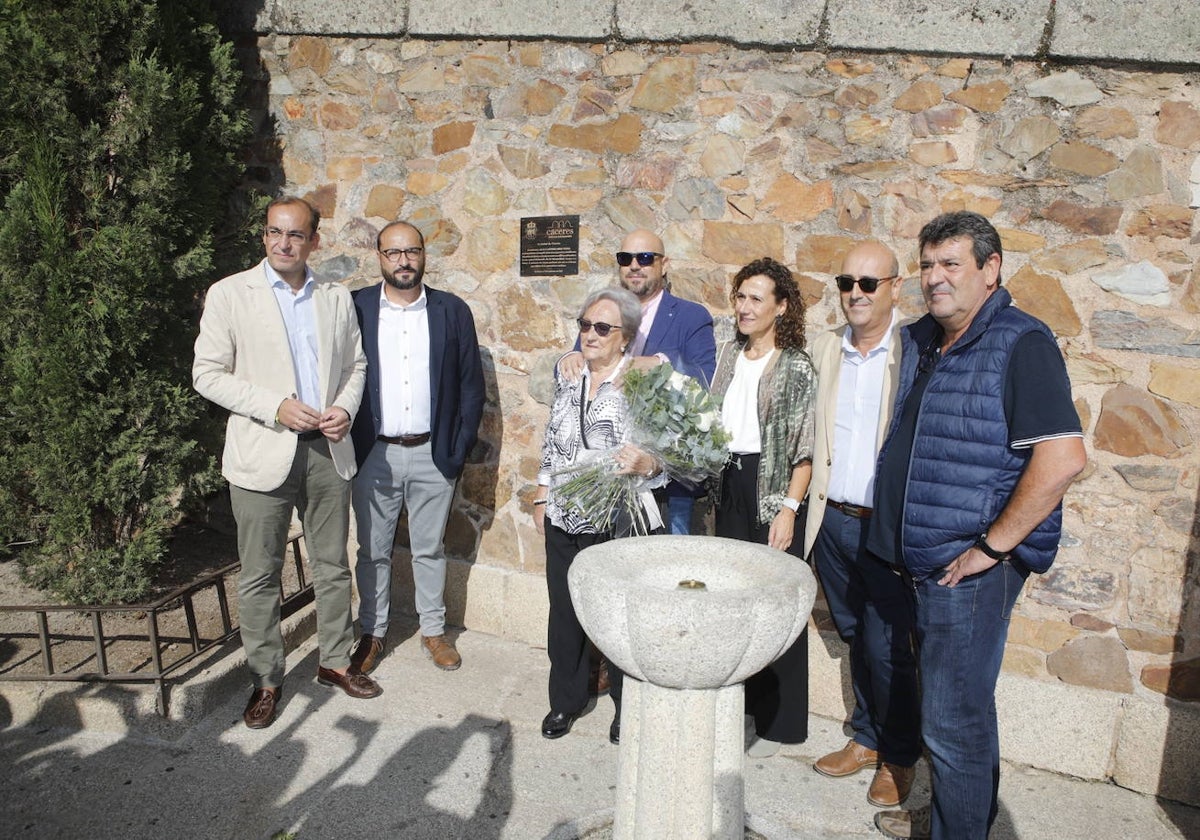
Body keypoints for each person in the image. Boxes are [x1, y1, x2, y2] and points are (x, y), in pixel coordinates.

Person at [867, 212, 1086, 840]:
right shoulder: (925, 340)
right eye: (928, 264)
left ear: (991, 270)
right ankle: (960, 822)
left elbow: (1062, 459)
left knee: (951, 726)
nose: (935, 278)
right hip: (918, 563)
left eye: (951, 264)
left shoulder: (1022, 342)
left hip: (965, 572)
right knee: (962, 715)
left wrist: (993, 546)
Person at [193, 196, 379, 731]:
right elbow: (207, 374)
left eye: (296, 234)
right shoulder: (230, 294)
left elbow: (356, 364)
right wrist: (273, 406)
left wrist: (344, 408)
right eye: (275, 232)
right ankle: (267, 679)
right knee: (259, 574)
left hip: (327, 448)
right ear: (263, 235)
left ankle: (335, 661)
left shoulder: (335, 296)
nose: (284, 243)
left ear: (314, 241)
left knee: (331, 564)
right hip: (260, 450)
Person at [804, 241, 921, 809]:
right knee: (856, 635)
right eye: (846, 281)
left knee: (888, 645)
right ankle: (868, 738)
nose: (855, 293)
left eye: (869, 283)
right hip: (833, 520)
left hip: (886, 526)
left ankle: (898, 755)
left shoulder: (917, 348)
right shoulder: (827, 347)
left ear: (896, 287)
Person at [348, 221, 485, 674]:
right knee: (372, 550)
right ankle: (373, 633)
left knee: (430, 548)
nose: (403, 260)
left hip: (433, 452)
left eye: (412, 251)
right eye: (393, 252)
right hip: (374, 453)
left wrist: (457, 447)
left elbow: (470, 387)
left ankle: (433, 631)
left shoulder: (451, 311)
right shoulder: (357, 308)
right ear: (379, 257)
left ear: (425, 255)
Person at [533, 287, 667, 745]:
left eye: (602, 328)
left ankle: (625, 709)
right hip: (564, 512)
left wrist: (648, 464)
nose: (590, 334)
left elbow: (665, 452)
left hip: (616, 517)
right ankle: (564, 702)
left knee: (616, 618)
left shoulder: (642, 381)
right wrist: (541, 492)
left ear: (625, 337)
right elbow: (555, 438)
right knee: (564, 613)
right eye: (585, 325)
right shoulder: (570, 376)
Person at [711, 257, 816, 758]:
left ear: (780, 306)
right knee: (734, 599)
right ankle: (740, 710)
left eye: (756, 298)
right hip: (728, 483)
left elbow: (804, 445)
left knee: (777, 601)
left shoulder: (794, 363)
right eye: (740, 296)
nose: (745, 307)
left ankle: (782, 721)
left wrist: (789, 509)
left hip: (769, 488)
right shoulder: (729, 354)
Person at [559, 229, 716, 534]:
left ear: (664, 264)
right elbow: (581, 361)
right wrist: (567, 358)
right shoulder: (604, 312)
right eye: (625, 258)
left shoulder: (691, 316)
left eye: (645, 258)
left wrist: (659, 363)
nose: (634, 265)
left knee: (665, 571)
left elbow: (706, 377)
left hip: (665, 481)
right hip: (602, 476)